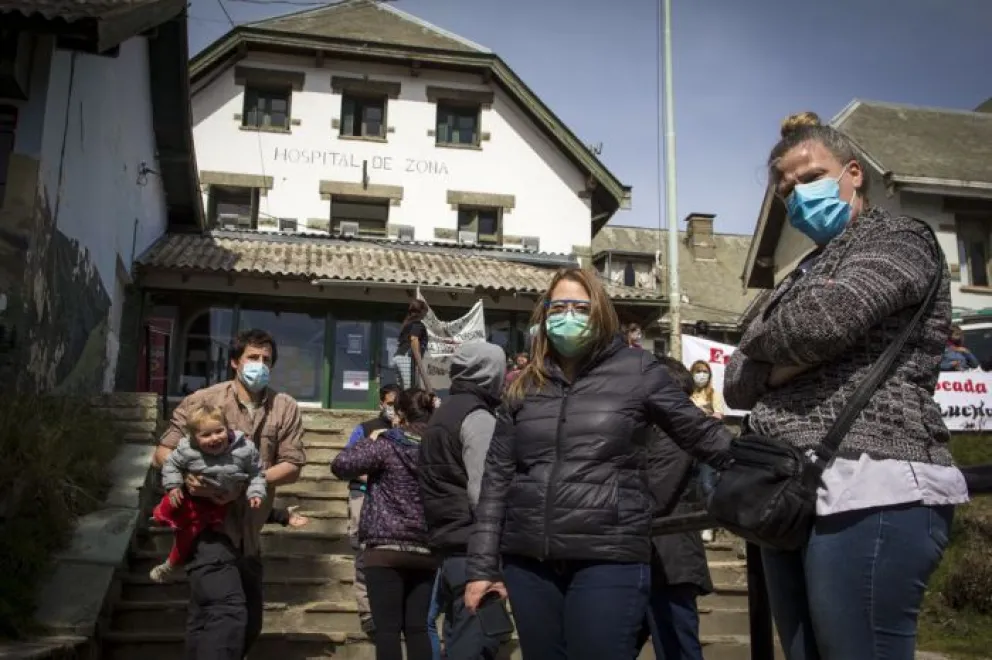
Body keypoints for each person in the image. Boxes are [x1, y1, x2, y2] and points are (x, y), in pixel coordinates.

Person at [723, 111, 969, 660]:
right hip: (788, 488)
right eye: (786, 189)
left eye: (810, 176)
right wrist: (773, 359)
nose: (798, 195)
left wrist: (763, 351)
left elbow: (827, 319)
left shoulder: (900, 237)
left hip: (875, 479)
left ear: (853, 173)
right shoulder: (802, 272)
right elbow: (735, 382)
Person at [463, 267, 732, 660]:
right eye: (558, 307)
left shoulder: (639, 371)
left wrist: (765, 465)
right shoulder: (523, 385)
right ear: (544, 315)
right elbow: (497, 481)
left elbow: (703, 435)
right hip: (529, 561)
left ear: (601, 313)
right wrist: (482, 566)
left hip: (609, 556)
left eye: (580, 307)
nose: (568, 316)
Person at [153, 328, 307, 660]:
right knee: (228, 612)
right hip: (207, 529)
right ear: (235, 362)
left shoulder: (285, 407)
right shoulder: (204, 401)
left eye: (266, 360)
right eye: (253, 357)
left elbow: (293, 465)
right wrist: (190, 477)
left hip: (250, 532)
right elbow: (163, 452)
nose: (260, 365)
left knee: (242, 623)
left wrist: (246, 481)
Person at [419, 342, 510, 660]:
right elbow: (485, 493)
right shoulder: (478, 417)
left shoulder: (444, 412)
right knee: (475, 645)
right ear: (490, 374)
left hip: (448, 547)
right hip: (474, 551)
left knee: (458, 639)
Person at [331, 388, 438, 660]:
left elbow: (341, 464)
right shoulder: (440, 447)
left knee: (388, 630)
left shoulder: (386, 444)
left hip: (385, 547)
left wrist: (372, 439)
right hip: (426, 548)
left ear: (399, 413)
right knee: (417, 629)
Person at [635, 357, 712, 660]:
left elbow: (657, 491)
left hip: (672, 556)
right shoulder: (656, 425)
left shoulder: (676, 428)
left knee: (679, 647)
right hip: (654, 555)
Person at [150, 404, 267, 583]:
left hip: (216, 504)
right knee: (168, 507)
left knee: (189, 534)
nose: (214, 438)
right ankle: (161, 517)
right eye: (205, 435)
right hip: (188, 496)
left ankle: (171, 564)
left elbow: (256, 474)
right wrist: (173, 485)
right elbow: (170, 464)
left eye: (219, 431)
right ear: (194, 439)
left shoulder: (245, 450)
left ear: (228, 429)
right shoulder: (187, 449)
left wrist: (255, 493)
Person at [343, 383, 402, 636]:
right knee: (363, 553)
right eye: (389, 403)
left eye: (397, 404)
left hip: (397, 503)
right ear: (381, 403)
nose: (393, 409)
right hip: (364, 495)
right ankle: (367, 612)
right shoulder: (366, 429)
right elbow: (348, 461)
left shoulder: (409, 430)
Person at [394, 300, 430, 389]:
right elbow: (414, 339)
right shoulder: (417, 324)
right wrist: (419, 363)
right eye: (425, 312)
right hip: (407, 358)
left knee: (401, 389)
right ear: (421, 311)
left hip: (398, 357)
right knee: (409, 389)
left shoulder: (407, 324)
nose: (426, 315)